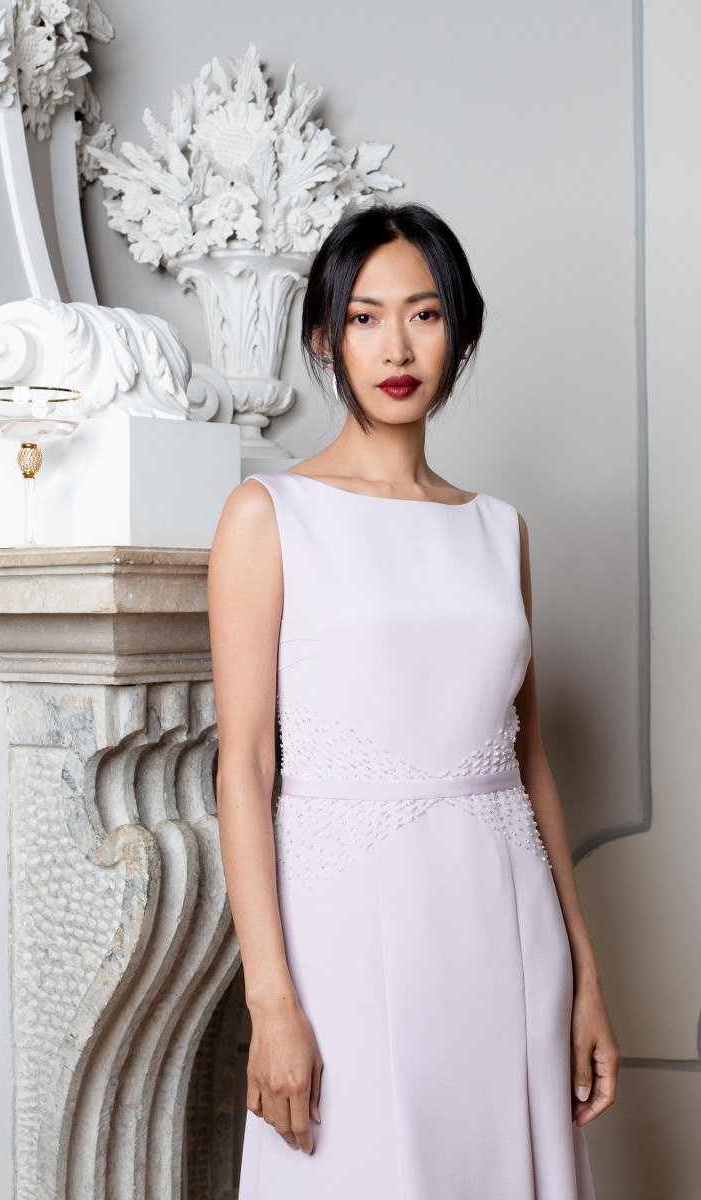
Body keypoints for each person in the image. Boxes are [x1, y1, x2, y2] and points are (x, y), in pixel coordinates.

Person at [207, 200, 619, 1198]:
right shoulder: (269, 515)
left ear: (459, 330)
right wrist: (270, 1002)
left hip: (504, 923)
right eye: (363, 316)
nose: (395, 345)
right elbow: (245, 765)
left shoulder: (496, 531)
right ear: (323, 336)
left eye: (424, 314)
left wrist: (585, 976)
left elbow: (524, 759)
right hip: (344, 929)